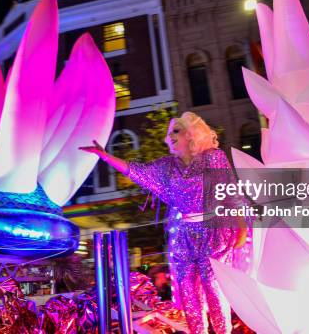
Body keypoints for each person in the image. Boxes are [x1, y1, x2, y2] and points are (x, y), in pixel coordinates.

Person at [80, 112, 248, 334]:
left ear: (191, 134)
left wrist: (241, 226)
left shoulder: (213, 158)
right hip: (184, 236)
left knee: (214, 288)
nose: (169, 137)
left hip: (213, 232)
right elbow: (136, 171)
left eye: (176, 131)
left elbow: (230, 191)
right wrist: (105, 156)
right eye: (169, 134)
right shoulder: (167, 166)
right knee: (189, 293)